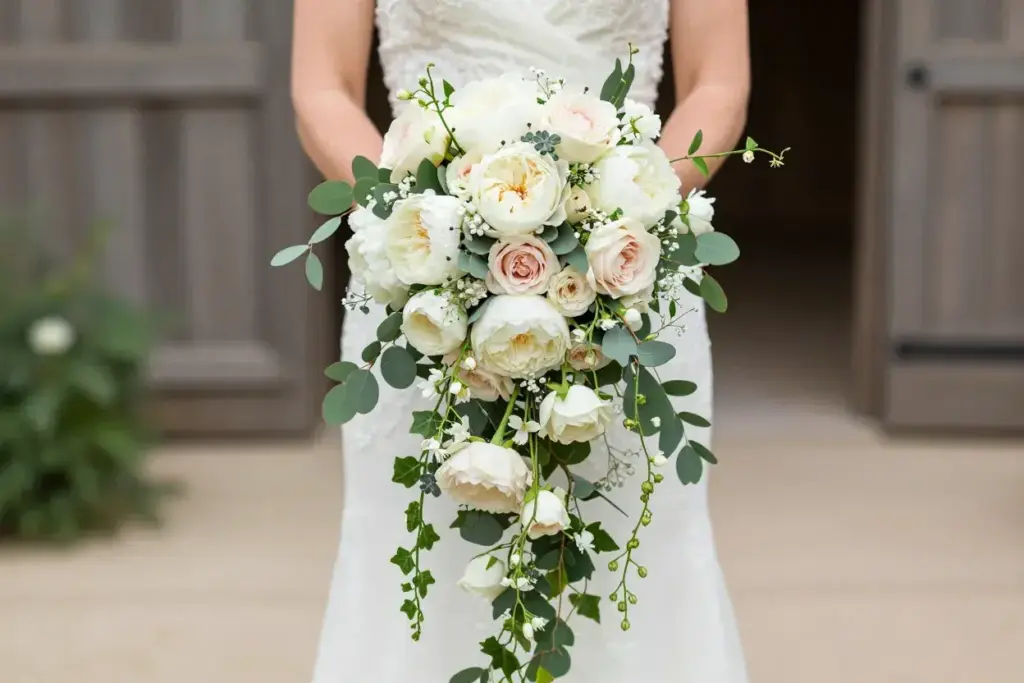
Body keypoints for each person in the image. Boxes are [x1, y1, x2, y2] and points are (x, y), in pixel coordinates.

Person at [291, 1, 751, 680]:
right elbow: (319, 87)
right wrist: (424, 211)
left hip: (626, 277)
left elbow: (719, 83)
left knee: (636, 552)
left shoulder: (622, 237)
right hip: (425, 283)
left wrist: (614, 210)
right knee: (425, 554)